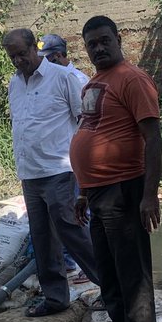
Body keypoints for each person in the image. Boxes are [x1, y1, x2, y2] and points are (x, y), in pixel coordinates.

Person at [69, 15, 162, 322]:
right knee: (107, 268)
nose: (99, 48)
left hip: (125, 188)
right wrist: (82, 191)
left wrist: (149, 195)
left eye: (105, 40)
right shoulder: (93, 82)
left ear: (118, 38)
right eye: (92, 43)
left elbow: (153, 139)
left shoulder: (132, 79)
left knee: (132, 270)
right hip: (96, 193)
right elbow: (90, 132)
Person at [2, 28, 100, 316]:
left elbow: (86, 121)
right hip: (30, 174)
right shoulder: (14, 84)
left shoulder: (63, 77)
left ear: (35, 48)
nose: (18, 60)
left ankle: (112, 288)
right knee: (43, 239)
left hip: (60, 170)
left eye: (22, 53)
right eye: (12, 56)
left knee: (74, 235)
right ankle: (56, 298)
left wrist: (85, 169)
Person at [38, 33, 93, 283]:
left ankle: (90, 268)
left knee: (80, 215)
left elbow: (88, 122)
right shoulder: (48, 80)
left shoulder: (77, 80)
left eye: (47, 58)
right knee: (67, 216)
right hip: (55, 163)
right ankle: (70, 262)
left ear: (59, 56)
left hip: (73, 161)